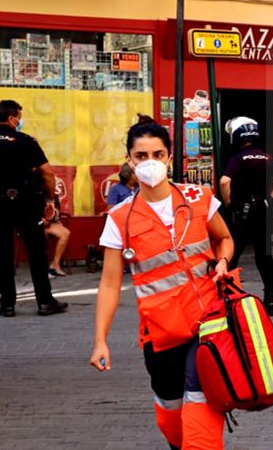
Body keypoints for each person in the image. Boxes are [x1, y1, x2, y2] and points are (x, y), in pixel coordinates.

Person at [90, 114, 234, 449]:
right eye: (141, 156)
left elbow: (225, 239)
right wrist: (100, 340)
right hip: (161, 332)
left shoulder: (199, 199)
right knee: (170, 411)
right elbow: (110, 284)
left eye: (157, 155)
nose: (150, 163)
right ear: (129, 160)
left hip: (207, 322)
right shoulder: (119, 220)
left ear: (169, 157)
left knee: (200, 398)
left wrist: (223, 261)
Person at [0, 100, 67, 317]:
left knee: (3, 255)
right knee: (36, 253)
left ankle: (7, 305)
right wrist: (50, 201)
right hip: (26, 203)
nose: (20, 120)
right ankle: (44, 302)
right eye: (19, 116)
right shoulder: (24, 141)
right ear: (12, 118)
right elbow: (48, 173)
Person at [220, 118, 273, 316]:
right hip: (263, 209)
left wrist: (228, 202)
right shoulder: (266, 157)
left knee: (232, 255)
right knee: (264, 257)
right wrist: (271, 196)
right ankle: (270, 302)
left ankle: (228, 298)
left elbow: (225, 181)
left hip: (241, 211)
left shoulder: (238, 158)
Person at [45, 196, 71, 278]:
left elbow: (57, 210)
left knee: (65, 233)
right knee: (39, 235)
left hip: (48, 223)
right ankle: (42, 269)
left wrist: (52, 213)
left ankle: (55, 264)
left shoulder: (52, 195)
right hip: (33, 223)